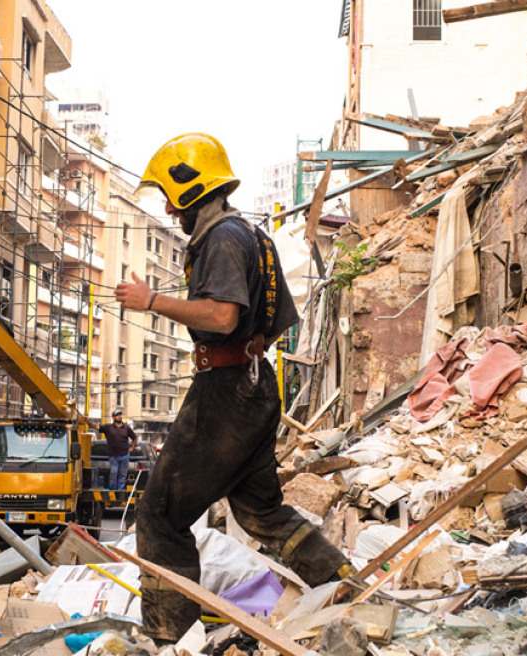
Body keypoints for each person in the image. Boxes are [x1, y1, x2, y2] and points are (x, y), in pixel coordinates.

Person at [115, 133, 355, 642]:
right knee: (260, 511)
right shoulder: (253, 236)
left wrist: (151, 301)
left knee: (159, 515)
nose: (167, 207)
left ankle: (169, 639)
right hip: (255, 384)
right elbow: (275, 320)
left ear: (190, 189)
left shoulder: (222, 239)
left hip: (225, 390)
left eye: (169, 196)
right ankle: (345, 584)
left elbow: (223, 316)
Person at [99, 410, 137, 491]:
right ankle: (113, 491)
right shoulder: (108, 427)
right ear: (113, 418)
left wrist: (132, 447)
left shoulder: (126, 427)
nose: (119, 416)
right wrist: (88, 422)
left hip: (125, 455)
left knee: (122, 475)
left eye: (120, 415)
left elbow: (134, 437)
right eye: (117, 415)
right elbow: (97, 426)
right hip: (113, 456)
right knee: (114, 474)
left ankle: (119, 491)